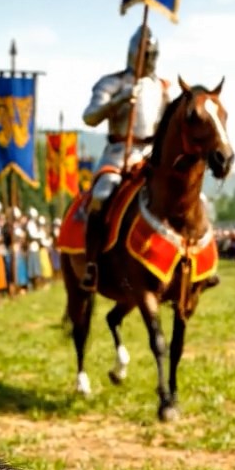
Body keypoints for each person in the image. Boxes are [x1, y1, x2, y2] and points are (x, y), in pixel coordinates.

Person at [80, 25, 169, 290]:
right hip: (119, 153)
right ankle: (92, 264)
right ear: (134, 54)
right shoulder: (112, 82)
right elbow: (90, 116)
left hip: (151, 155)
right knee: (102, 195)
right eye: (146, 54)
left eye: (154, 54)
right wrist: (118, 101)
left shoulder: (162, 88)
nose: (150, 60)